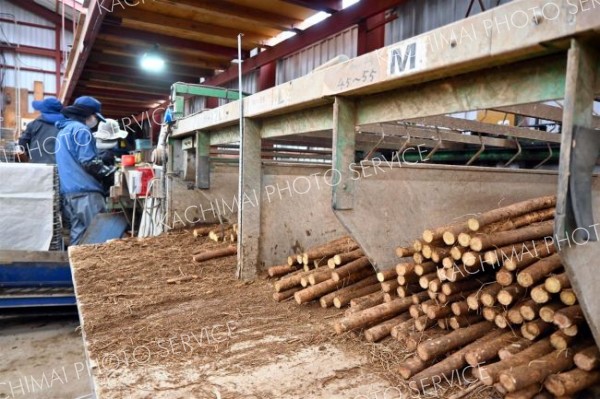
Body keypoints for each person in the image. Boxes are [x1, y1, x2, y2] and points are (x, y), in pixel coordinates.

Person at [55, 96, 116, 245]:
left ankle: (73, 268)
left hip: (69, 193)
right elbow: (89, 161)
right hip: (86, 193)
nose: (95, 121)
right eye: (95, 116)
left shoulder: (63, 132)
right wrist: (110, 173)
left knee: (79, 236)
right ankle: (101, 269)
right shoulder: (81, 130)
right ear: (88, 114)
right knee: (101, 236)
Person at [18, 97, 65, 163]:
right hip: (61, 167)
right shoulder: (67, 125)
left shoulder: (33, 124)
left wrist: (31, 154)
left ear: (43, 110)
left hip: (38, 166)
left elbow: (22, 143)